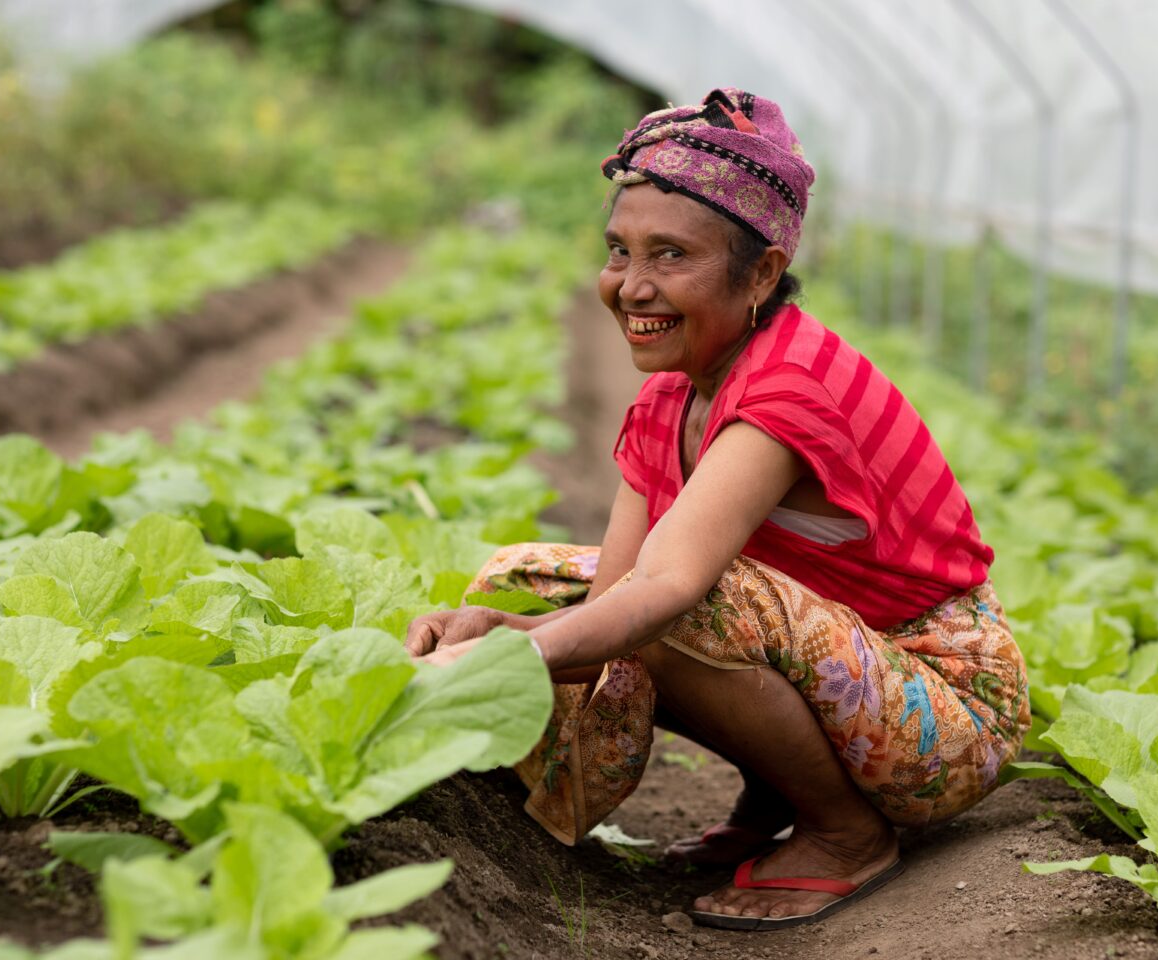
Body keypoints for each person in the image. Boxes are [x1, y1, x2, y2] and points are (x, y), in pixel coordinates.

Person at [405, 88, 1029, 932]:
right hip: (865, 670)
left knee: (686, 599)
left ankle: (844, 833)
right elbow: (612, 604)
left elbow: (662, 591)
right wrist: (500, 635)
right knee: (530, 582)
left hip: (950, 717)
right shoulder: (670, 398)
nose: (631, 286)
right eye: (619, 251)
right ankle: (777, 798)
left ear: (763, 273)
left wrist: (495, 672)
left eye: (670, 256)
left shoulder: (787, 385)